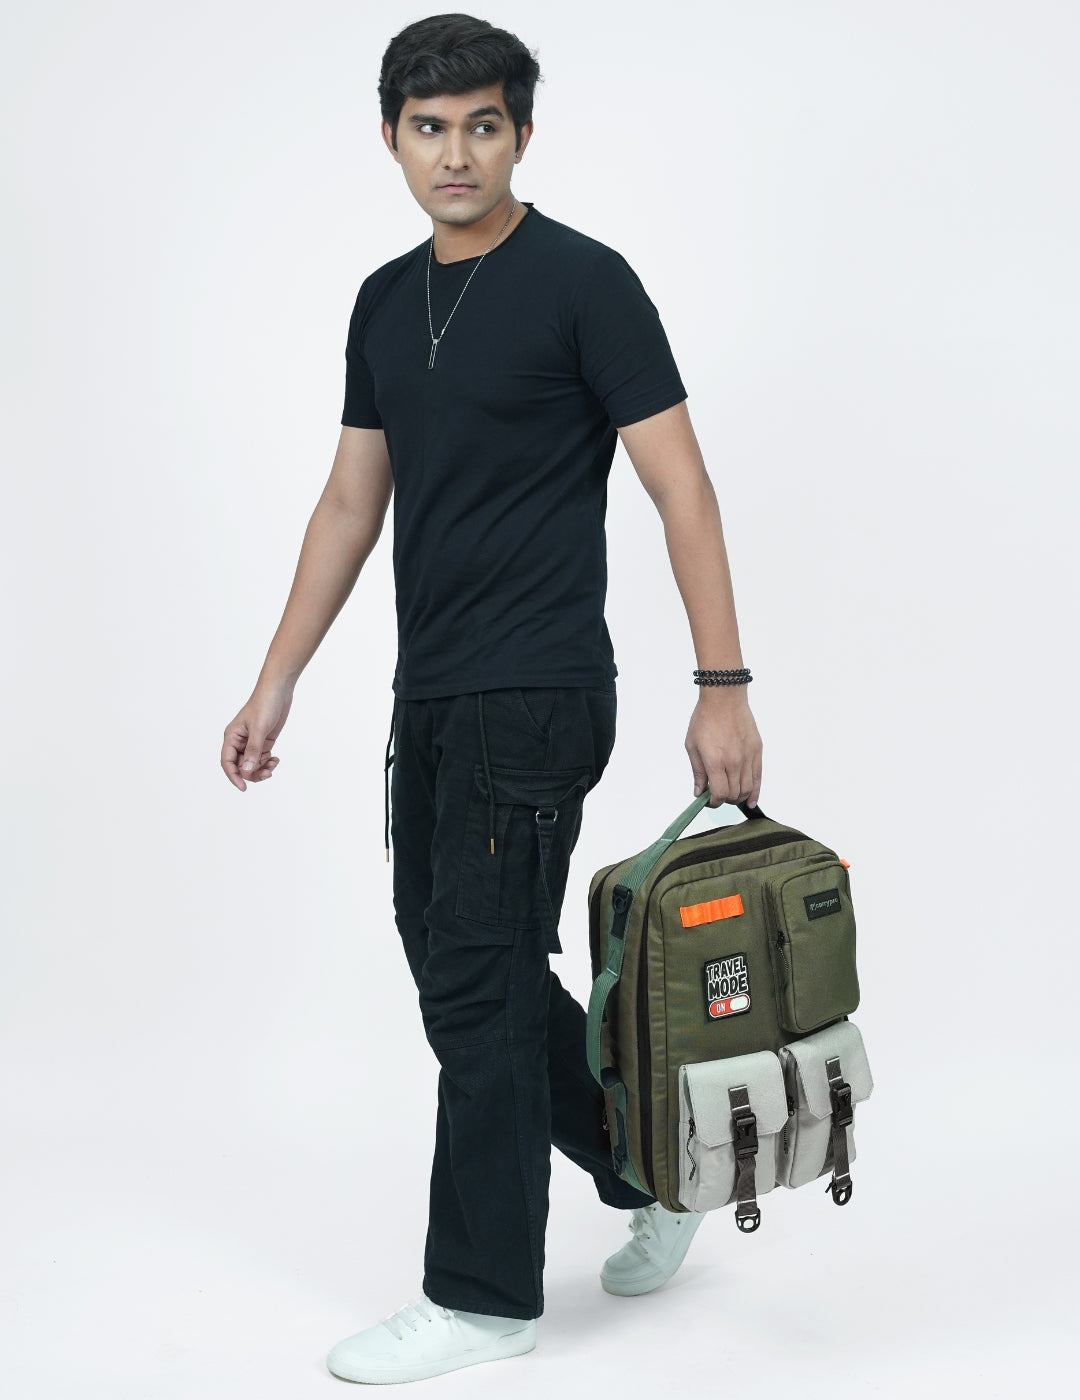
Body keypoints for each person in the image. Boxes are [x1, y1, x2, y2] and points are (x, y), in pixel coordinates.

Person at [220, 12, 762, 1386]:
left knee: (472, 983)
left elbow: (681, 483)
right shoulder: (382, 301)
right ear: (391, 139)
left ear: (521, 134)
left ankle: (481, 1297)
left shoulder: (585, 282)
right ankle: (655, 1171)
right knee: (481, 973)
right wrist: (277, 680)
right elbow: (351, 503)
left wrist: (722, 687)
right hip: (437, 696)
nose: (454, 153)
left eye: (481, 125)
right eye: (429, 128)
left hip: (536, 691)